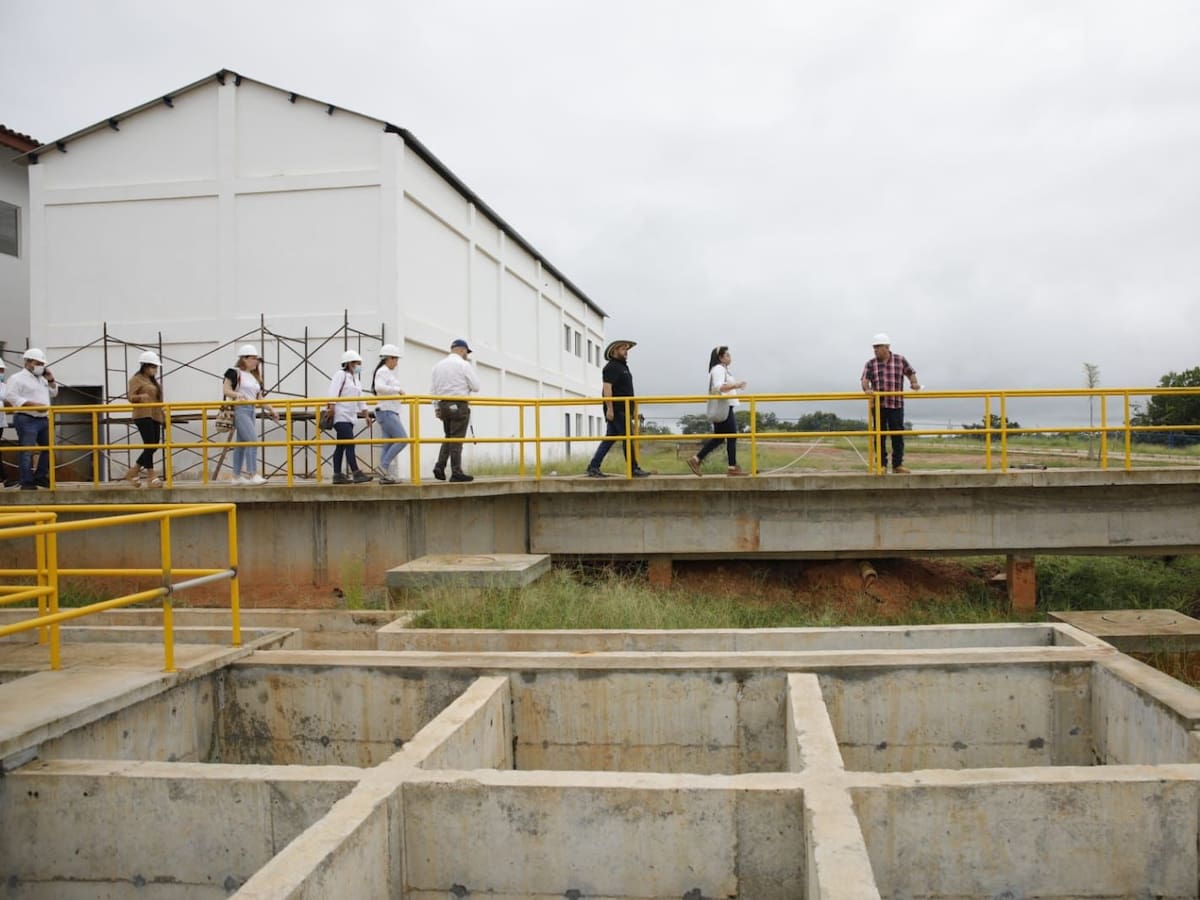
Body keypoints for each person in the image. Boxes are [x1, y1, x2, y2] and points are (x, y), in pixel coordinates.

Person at [586, 339, 651, 478]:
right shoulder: (612, 367)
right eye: (623, 349)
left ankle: (593, 466)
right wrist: (610, 409)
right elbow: (607, 388)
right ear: (614, 351)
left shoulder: (623, 367)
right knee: (629, 437)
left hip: (624, 409)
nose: (626, 351)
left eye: (627, 349)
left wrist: (632, 410)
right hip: (617, 409)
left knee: (610, 439)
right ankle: (633, 468)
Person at [860, 332, 921, 474]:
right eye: (874, 347)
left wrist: (914, 383)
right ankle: (881, 465)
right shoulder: (870, 363)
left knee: (897, 435)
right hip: (879, 405)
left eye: (878, 347)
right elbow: (864, 380)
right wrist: (867, 389)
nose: (875, 350)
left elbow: (910, 372)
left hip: (896, 404)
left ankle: (897, 465)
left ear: (887, 347)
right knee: (879, 436)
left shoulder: (900, 360)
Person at [222, 344, 279, 485]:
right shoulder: (234, 372)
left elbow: (260, 398)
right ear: (244, 359)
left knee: (241, 444)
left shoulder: (254, 377)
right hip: (240, 409)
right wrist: (237, 395)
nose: (256, 361)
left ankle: (236, 476)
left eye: (256, 359)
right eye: (253, 358)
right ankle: (253, 474)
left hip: (252, 410)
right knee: (252, 440)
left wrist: (271, 410)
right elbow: (226, 390)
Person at [4, 348, 59, 490]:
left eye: (42, 363)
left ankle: (41, 477)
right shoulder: (16, 379)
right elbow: (12, 396)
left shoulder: (42, 379)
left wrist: (51, 379)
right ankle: (26, 481)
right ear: (28, 362)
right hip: (26, 418)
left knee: (49, 448)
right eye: (37, 362)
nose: (40, 365)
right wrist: (33, 405)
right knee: (27, 450)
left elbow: (54, 393)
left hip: (43, 418)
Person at [688, 345, 747, 476]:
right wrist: (737, 384)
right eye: (727, 355)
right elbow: (719, 387)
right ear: (720, 357)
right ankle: (732, 467)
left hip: (723, 407)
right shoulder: (719, 369)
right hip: (724, 408)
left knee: (719, 438)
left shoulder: (721, 369)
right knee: (732, 436)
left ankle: (696, 459)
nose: (729, 357)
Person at [429, 338, 480, 482]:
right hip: (459, 405)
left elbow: (432, 391)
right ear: (462, 350)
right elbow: (476, 386)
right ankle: (456, 472)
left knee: (449, 437)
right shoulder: (464, 365)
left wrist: (436, 408)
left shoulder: (437, 366)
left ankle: (439, 466)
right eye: (466, 352)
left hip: (443, 406)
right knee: (456, 439)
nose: (467, 355)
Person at [325, 349, 374, 484]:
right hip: (340, 415)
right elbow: (333, 392)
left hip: (350, 416)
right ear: (349, 363)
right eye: (356, 363)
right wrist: (332, 407)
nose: (358, 366)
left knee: (341, 445)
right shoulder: (340, 375)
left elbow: (360, 400)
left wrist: (366, 415)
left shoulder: (356, 381)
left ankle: (337, 474)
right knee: (350, 443)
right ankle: (356, 472)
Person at [126, 350, 165, 487]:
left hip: (155, 415)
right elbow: (130, 397)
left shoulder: (153, 381)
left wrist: (164, 416)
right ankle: (151, 475)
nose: (155, 370)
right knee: (149, 444)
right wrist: (140, 397)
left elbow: (159, 400)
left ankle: (134, 471)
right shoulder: (136, 379)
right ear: (145, 366)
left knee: (154, 445)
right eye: (153, 367)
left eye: (156, 367)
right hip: (143, 415)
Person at [371, 344, 407, 484]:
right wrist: (397, 390)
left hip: (388, 411)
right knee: (403, 439)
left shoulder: (385, 372)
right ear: (389, 358)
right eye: (396, 359)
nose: (397, 363)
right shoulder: (383, 371)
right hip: (387, 411)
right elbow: (379, 387)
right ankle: (383, 467)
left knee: (387, 444)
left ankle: (384, 476)